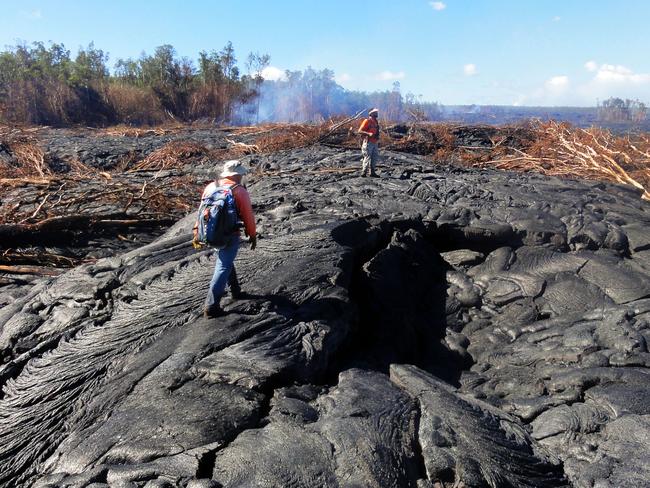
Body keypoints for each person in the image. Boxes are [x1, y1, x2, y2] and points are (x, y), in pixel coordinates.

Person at [193, 160, 257, 318]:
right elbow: (248, 215)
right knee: (223, 266)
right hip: (229, 234)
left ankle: (235, 291)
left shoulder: (210, 187)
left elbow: (202, 212)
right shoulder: (238, 190)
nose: (242, 176)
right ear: (236, 175)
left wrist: (196, 232)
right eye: (241, 174)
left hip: (210, 233)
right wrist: (252, 234)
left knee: (225, 261)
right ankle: (211, 306)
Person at [357, 108, 381, 177]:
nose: (377, 113)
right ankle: (363, 172)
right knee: (367, 157)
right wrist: (368, 133)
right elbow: (359, 131)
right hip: (368, 142)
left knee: (374, 157)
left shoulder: (376, 122)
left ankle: (372, 172)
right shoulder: (367, 121)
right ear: (371, 113)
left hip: (375, 143)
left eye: (376, 112)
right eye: (375, 112)